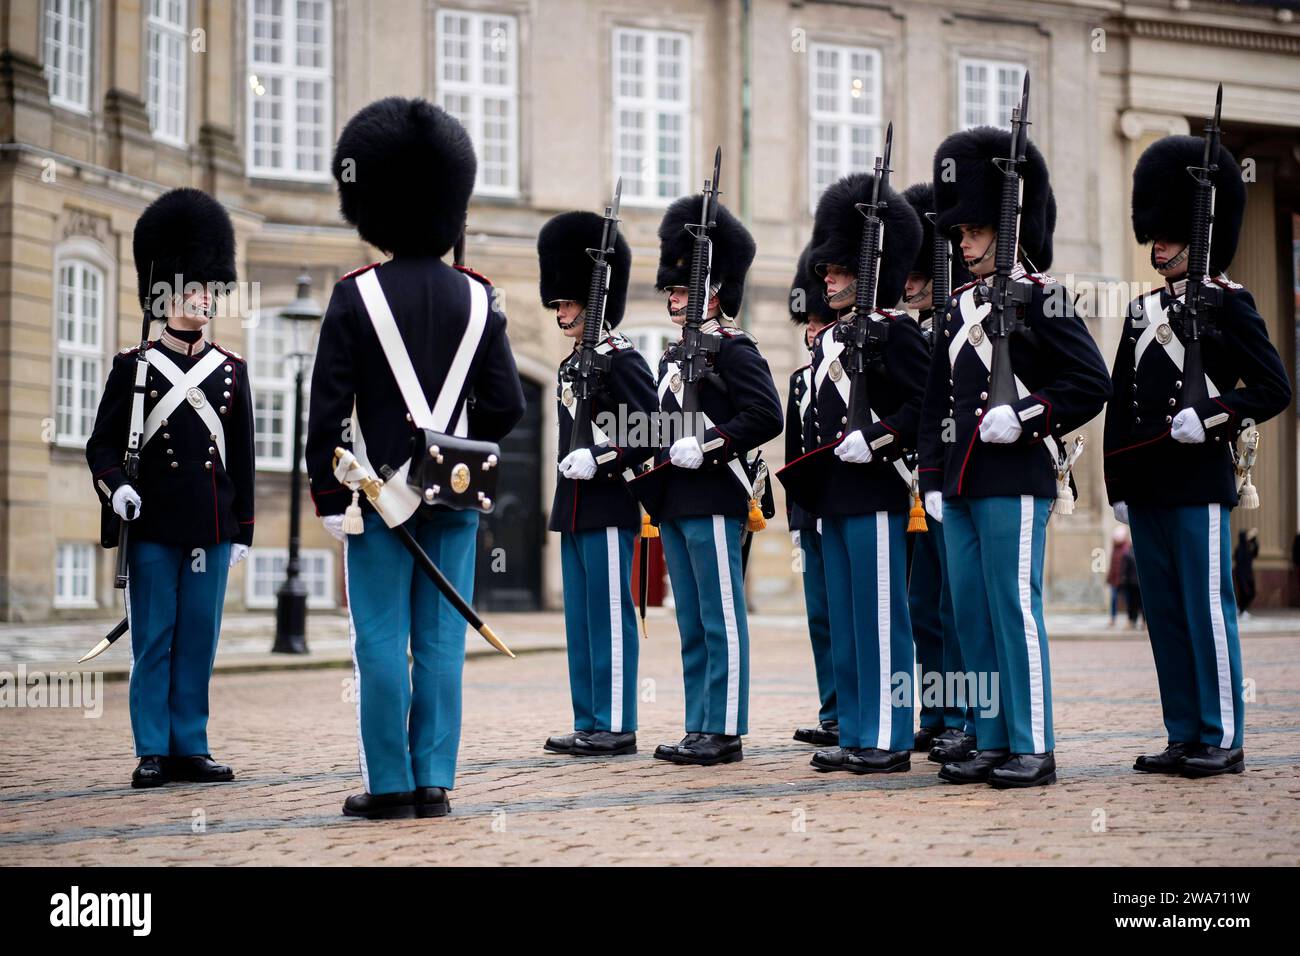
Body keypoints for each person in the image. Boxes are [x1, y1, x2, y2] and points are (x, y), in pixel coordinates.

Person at [305, 97, 525, 819]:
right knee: (439, 642)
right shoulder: (478, 297)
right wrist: (453, 448)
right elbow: (507, 408)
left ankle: (389, 785)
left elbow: (326, 412)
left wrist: (330, 498)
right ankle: (433, 780)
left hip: (375, 498)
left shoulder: (354, 296)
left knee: (378, 642)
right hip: (455, 494)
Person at [921, 126, 1111, 788]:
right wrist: (929, 477)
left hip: (1016, 477)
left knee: (1012, 608)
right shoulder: (955, 309)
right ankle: (993, 737)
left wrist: (1028, 414)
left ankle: (1033, 742)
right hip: (962, 484)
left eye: (974, 230)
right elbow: (934, 405)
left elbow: (1091, 382)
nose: (963, 242)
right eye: (960, 232)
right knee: (970, 614)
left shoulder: (1044, 293)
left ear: (1006, 227)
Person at [1104, 132, 1289, 778]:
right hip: (1150, 486)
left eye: (1169, 233)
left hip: (1198, 481)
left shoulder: (1230, 305)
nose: (1157, 245)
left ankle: (1222, 734)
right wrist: (1117, 482)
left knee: (1206, 608)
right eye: (1153, 234)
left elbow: (1273, 388)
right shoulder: (1140, 311)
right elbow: (1120, 406)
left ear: (1197, 232)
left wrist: (1213, 415)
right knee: (1164, 613)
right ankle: (1183, 730)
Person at [86, 188, 253, 789]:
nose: (204, 299)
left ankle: (191, 745)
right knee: (153, 640)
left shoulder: (232, 370)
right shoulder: (132, 368)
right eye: (193, 289)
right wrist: (116, 489)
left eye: (210, 289)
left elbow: (244, 460)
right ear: (165, 295)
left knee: (198, 642)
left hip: (210, 527)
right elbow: (101, 445)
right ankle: (151, 747)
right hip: (152, 525)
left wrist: (244, 533)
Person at [632, 195, 783, 767]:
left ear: (713, 291)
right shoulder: (674, 357)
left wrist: (713, 442)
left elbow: (766, 416)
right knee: (690, 620)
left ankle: (724, 729)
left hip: (717, 495)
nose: (672, 299)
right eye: (670, 292)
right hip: (674, 499)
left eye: (680, 290)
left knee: (721, 616)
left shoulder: (734, 350)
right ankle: (699, 723)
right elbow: (658, 425)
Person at [795, 171, 930, 775]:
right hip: (834, 497)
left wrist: (878, 437)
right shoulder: (832, 342)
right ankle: (854, 728)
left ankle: (890, 736)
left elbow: (927, 404)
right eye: (825, 270)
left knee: (881, 619)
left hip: (876, 491)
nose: (826, 277)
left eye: (838, 269)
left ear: (868, 267)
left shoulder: (897, 333)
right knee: (849, 621)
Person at [537, 210, 657, 758]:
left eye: (568, 303)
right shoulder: (570, 366)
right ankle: (588, 718)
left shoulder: (622, 360)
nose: (561, 313)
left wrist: (603, 458)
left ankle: (616, 722)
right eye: (558, 304)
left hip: (609, 502)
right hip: (574, 507)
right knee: (582, 621)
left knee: (610, 617)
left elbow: (654, 431)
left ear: (594, 301)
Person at [901, 181, 976, 764]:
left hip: (965, 478)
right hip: (922, 484)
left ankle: (965, 715)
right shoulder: (917, 330)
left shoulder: (963, 320)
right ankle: (936, 709)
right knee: (924, 604)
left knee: (959, 605)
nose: (907, 285)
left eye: (917, 272)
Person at [785, 246, 839, 748]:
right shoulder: (801, 380)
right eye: (811, 325)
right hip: (810, 511)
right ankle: (833, 710)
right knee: (821, 616)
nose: (814, 332)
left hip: (849, 503)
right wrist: (795, 521)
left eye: (823, 324)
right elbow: (794, 451)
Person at [1107, 526, 1132, 627]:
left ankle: (1129, 619)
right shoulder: (1114, 548)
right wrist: (1109, 577)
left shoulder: (1127, 548)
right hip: (1115, 579)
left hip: (1125, 579)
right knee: (1114, 599)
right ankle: (1113, 618)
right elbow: (1113, 565)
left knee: (1128, 599)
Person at [1233, 529, 1258, 619]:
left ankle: (1242, 609)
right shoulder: (1240, 549)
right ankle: (1241, 610)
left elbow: (1255, 553)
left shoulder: (1248, 547)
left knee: (1251, 592)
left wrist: (1254, 540)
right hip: (1242, 576)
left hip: (1249, 575)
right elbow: (1238, 562)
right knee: (1244, 593)